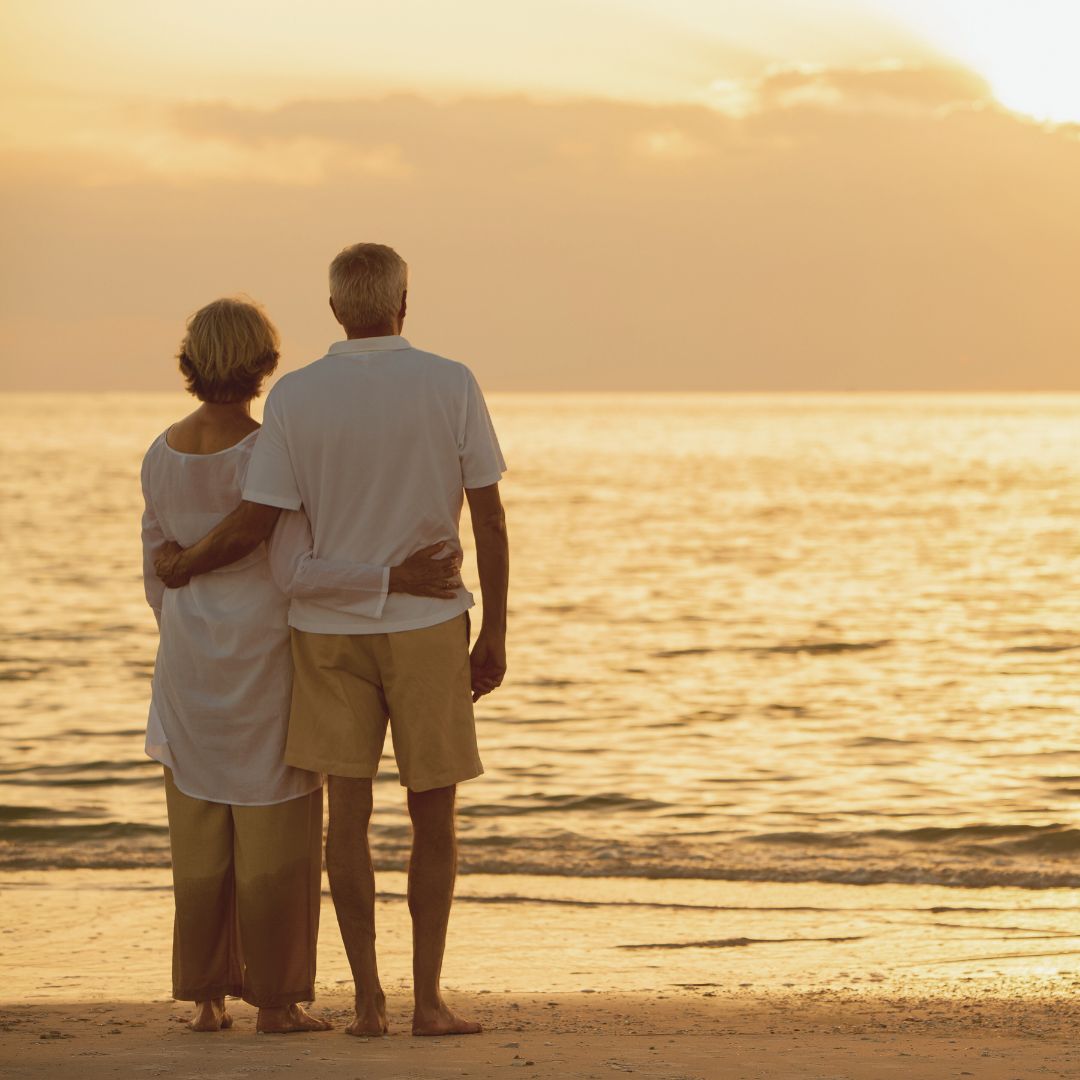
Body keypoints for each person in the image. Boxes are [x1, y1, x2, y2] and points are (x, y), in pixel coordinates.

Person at [155, 243, 510, 1038]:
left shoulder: (296, 399)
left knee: (344, 821)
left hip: (324, 637)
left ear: (333, 309)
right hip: (425, 629)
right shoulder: (450, 381)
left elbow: (264, 526)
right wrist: (494, 632)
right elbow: (488, 514)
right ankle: (427, 1001)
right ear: (404, 303)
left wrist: (181, 569)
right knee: (434, 818)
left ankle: (367, 1004)